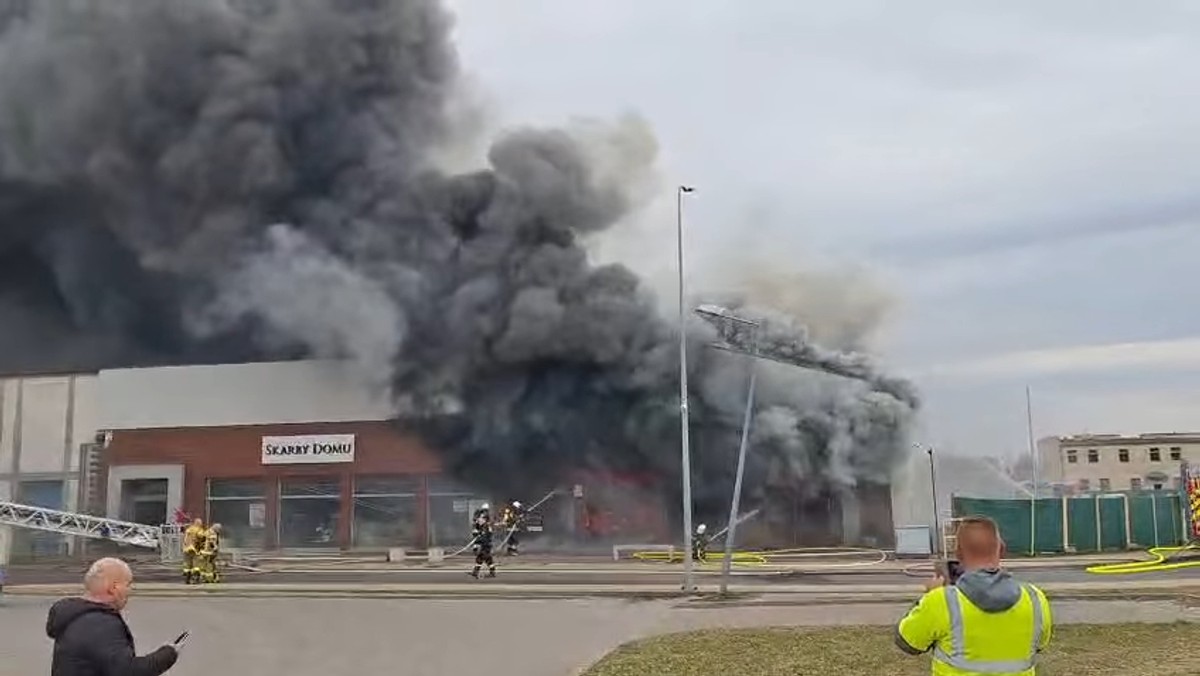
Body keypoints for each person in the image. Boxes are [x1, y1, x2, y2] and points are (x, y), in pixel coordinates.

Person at [895, 516, 1053, 675]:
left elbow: (907, 642)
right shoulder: (1035, 599)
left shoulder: (941, 601)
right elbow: (1040, 645)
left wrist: (927, 597)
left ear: (958, 553)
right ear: (1002, 549)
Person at [46, 557, 181, 676]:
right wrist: (168, 653)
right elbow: (127, 672)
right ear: (113, 588)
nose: (130, 590)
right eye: (128, 584)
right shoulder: (100, 624)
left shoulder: (77, 616)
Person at [469, 512, 496, 578]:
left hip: (486, 545)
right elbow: (477, 537)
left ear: (484, 519)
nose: (478, 520)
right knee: (487, 559)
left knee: (481, 558)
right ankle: (492, 572)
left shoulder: (486, 527)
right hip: (484, 545)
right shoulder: (480, 526)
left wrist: (478, 536)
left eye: (479, 519)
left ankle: (476, 572)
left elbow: (483, 538)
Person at [181, 518, 206, 585]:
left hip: (186, 549)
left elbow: (185, 539)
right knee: (196, 565)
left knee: (187, 565)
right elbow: (202, 536)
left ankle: (187, 579)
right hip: (194, 549)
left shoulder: (188, 529)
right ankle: (195, 579)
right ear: (199, 523)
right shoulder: (199, 529)